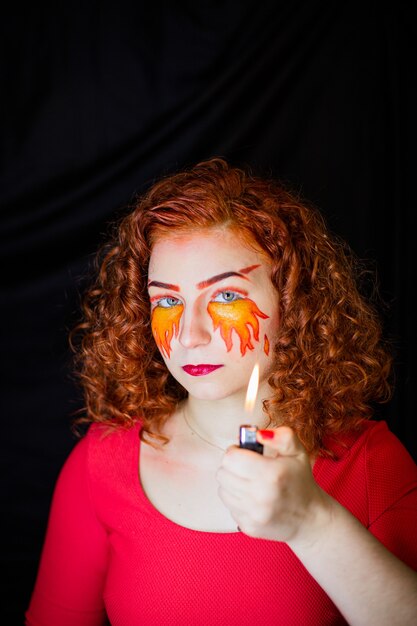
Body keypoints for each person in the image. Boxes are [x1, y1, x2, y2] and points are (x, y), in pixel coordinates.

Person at [25, 157, 417, 626]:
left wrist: (313, 522)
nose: (190, 334)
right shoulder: (102, 463)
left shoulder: (372, 464)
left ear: (293, 300)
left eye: (227, 296)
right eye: (168, 301)